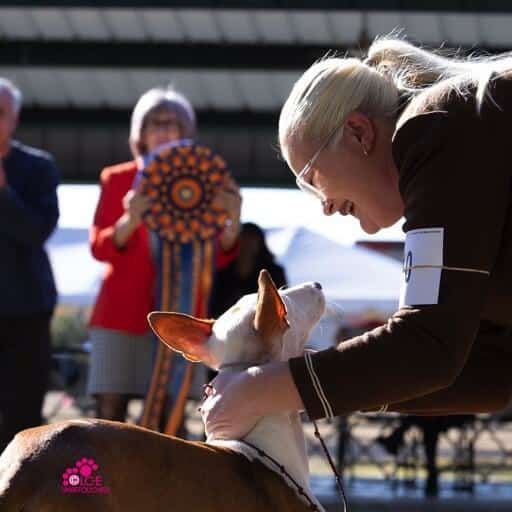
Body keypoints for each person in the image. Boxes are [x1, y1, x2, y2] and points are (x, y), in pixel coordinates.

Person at [201, 37, 512, 441]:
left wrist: (267, 387)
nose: (324, 206)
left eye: (312, 180)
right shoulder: (451, 133)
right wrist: (297, 379)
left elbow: (428, 347)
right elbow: (489, 373)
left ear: (358, 132)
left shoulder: (433, 124)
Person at [87, 86, 241, 422]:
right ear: (139, 133)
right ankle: (99, 479)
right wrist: (130, 220)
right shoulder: (117, 179)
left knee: (170, 418)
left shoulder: (204, 180)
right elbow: (99, 247)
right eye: (154, 123)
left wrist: (234, 219)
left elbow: (219, 258)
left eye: (172, 123)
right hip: (120, 316)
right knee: (108, 414)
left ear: (186, 131)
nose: (163, 130)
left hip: (179, 317)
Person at [0, 79, 60, 453]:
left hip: (26, 310)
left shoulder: (38, 167)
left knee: (23, 414)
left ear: (15, 118)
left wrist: (3, 193)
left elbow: (37, 230)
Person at [209, 222, 287, 318]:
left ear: (260, 243)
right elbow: (213, 309)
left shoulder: (274, 274)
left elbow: (283, 307)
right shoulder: (222, 273)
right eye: (244, 238)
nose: (247, 244)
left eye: (252, 239)